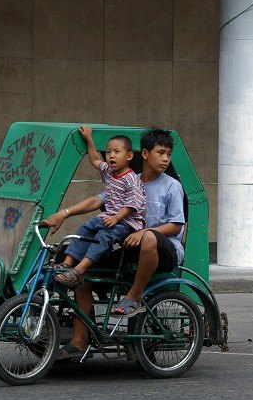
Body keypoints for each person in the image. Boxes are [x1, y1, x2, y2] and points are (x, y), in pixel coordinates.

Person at [42, 127, 185, 359]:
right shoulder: (130, 180)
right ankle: (79, 342)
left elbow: (176, 225)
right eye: (161, 153)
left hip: (164, 249)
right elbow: (97, 201)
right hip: (131, 249)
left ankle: (134, 296)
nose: (166, 159)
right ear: (145, 154)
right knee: (83, 274)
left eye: (168, 153)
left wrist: (144, 231)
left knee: (148, 237)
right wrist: (64, 213)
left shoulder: (171, 186)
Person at [53, 125, 146, 288]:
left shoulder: (131, 179)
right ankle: (67, 263)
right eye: (109, 152)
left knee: (103, 237)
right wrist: (89, 139)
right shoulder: (109, 171)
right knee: (85, 228)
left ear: (129, 155)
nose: (111, 156)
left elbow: (133, 204)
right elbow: (96, 159)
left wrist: (117, 217)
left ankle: (78, 271)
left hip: (126, 222)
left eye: (117, 152)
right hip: (109, 216)